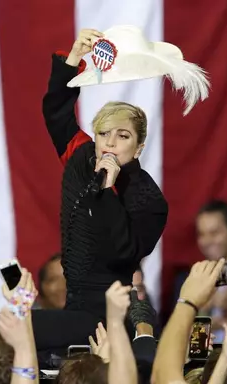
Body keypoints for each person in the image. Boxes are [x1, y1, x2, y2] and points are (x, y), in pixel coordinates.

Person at [44, 28, 168, 320]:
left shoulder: (149, 198)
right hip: (73, 303)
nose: (110, 143)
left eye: (123, 136)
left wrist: (109, 192)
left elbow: (124, 254)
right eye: (103, 133)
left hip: (113, 310)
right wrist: (73, 59)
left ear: (139, 148)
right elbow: (56, 113)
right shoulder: (83, 156)